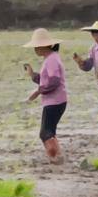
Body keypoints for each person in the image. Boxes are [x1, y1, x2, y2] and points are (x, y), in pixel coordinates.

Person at [23, 29, 68, 162]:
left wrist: (38, 91)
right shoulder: (51, 58)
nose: (35, 49)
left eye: (37, 46)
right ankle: (58, 155)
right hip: (57, 101)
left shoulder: (51, 60)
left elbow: (54, 81)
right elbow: (46, 79)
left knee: (45, 133)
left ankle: (55, 156)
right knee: (49, 131)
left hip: (54, 102)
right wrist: (32, 75)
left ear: (44, 46)